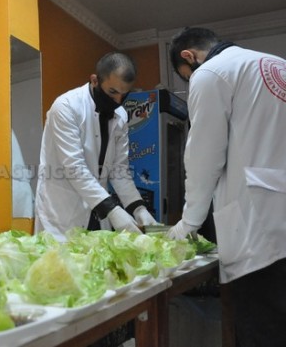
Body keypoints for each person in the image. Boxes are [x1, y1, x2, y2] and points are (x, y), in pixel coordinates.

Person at [166, 27, 286, 346]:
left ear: (189, 56)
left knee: (264, 330)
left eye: (186, 76)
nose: (191, 80)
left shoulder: (211, 73)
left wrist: (189, 224)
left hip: (260, 229)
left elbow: (204, 157)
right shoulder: (276, 64)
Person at [34, 52, 158, 241]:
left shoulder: (120, 115)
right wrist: (114, 211)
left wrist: (138, 208)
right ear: (94, 80)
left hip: (99, 209)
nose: (118, 101)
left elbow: (119, 169)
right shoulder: (66, 106)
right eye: (112, 92)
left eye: (124, 94)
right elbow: (74, 167)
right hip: (63, 213)